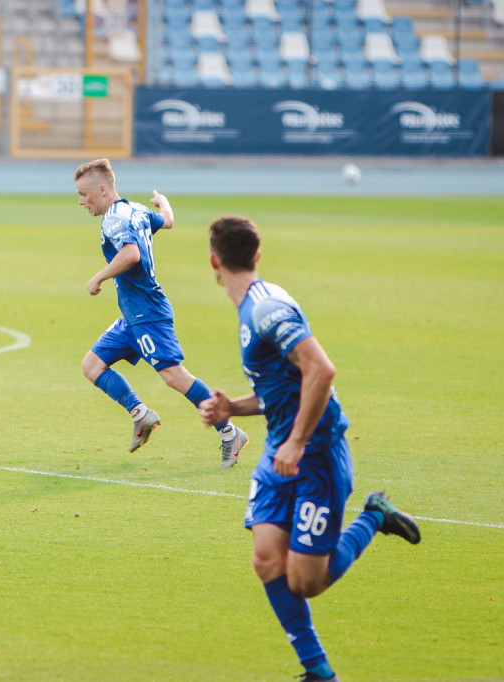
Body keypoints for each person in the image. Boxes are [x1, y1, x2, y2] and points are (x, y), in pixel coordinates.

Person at [199, 214, 421, 681]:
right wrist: (231, 410)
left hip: (314, 452)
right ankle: (318, 672)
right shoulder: (253, 308)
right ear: (256, 255)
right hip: (281, 448)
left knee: (307, 581)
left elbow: (321, 370)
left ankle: (375, 514)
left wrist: (298, 442)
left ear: (213, 260)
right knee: (265, 559)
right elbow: (284, 388)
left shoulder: (267, 310)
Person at [74, 158, 248, 463]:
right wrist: (163, 203)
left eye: (83, 194)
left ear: (102, 189)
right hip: (132, 316)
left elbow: (131, 254)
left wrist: (98, 276)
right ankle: (140, 414)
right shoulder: (137, 209)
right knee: (92, 366)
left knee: (175, 377)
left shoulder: (114, 219)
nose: (80, 202)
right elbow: (166, 221)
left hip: (148, 313)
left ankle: (229, 432)